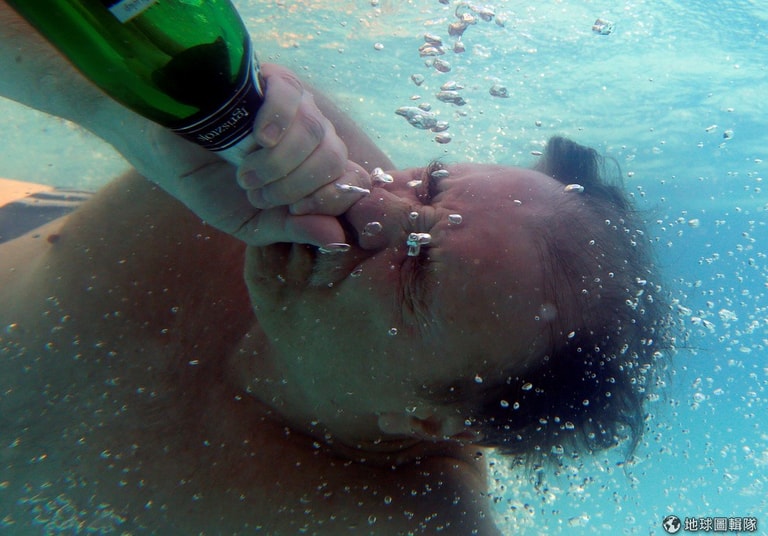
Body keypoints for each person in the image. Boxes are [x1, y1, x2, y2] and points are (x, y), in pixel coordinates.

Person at [0, 3, 672, 534]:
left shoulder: (391, 518)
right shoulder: (276, 141)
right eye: (431, 183)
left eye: (416, 270)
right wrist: (119, 116)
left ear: (434, 424)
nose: (369, 202)